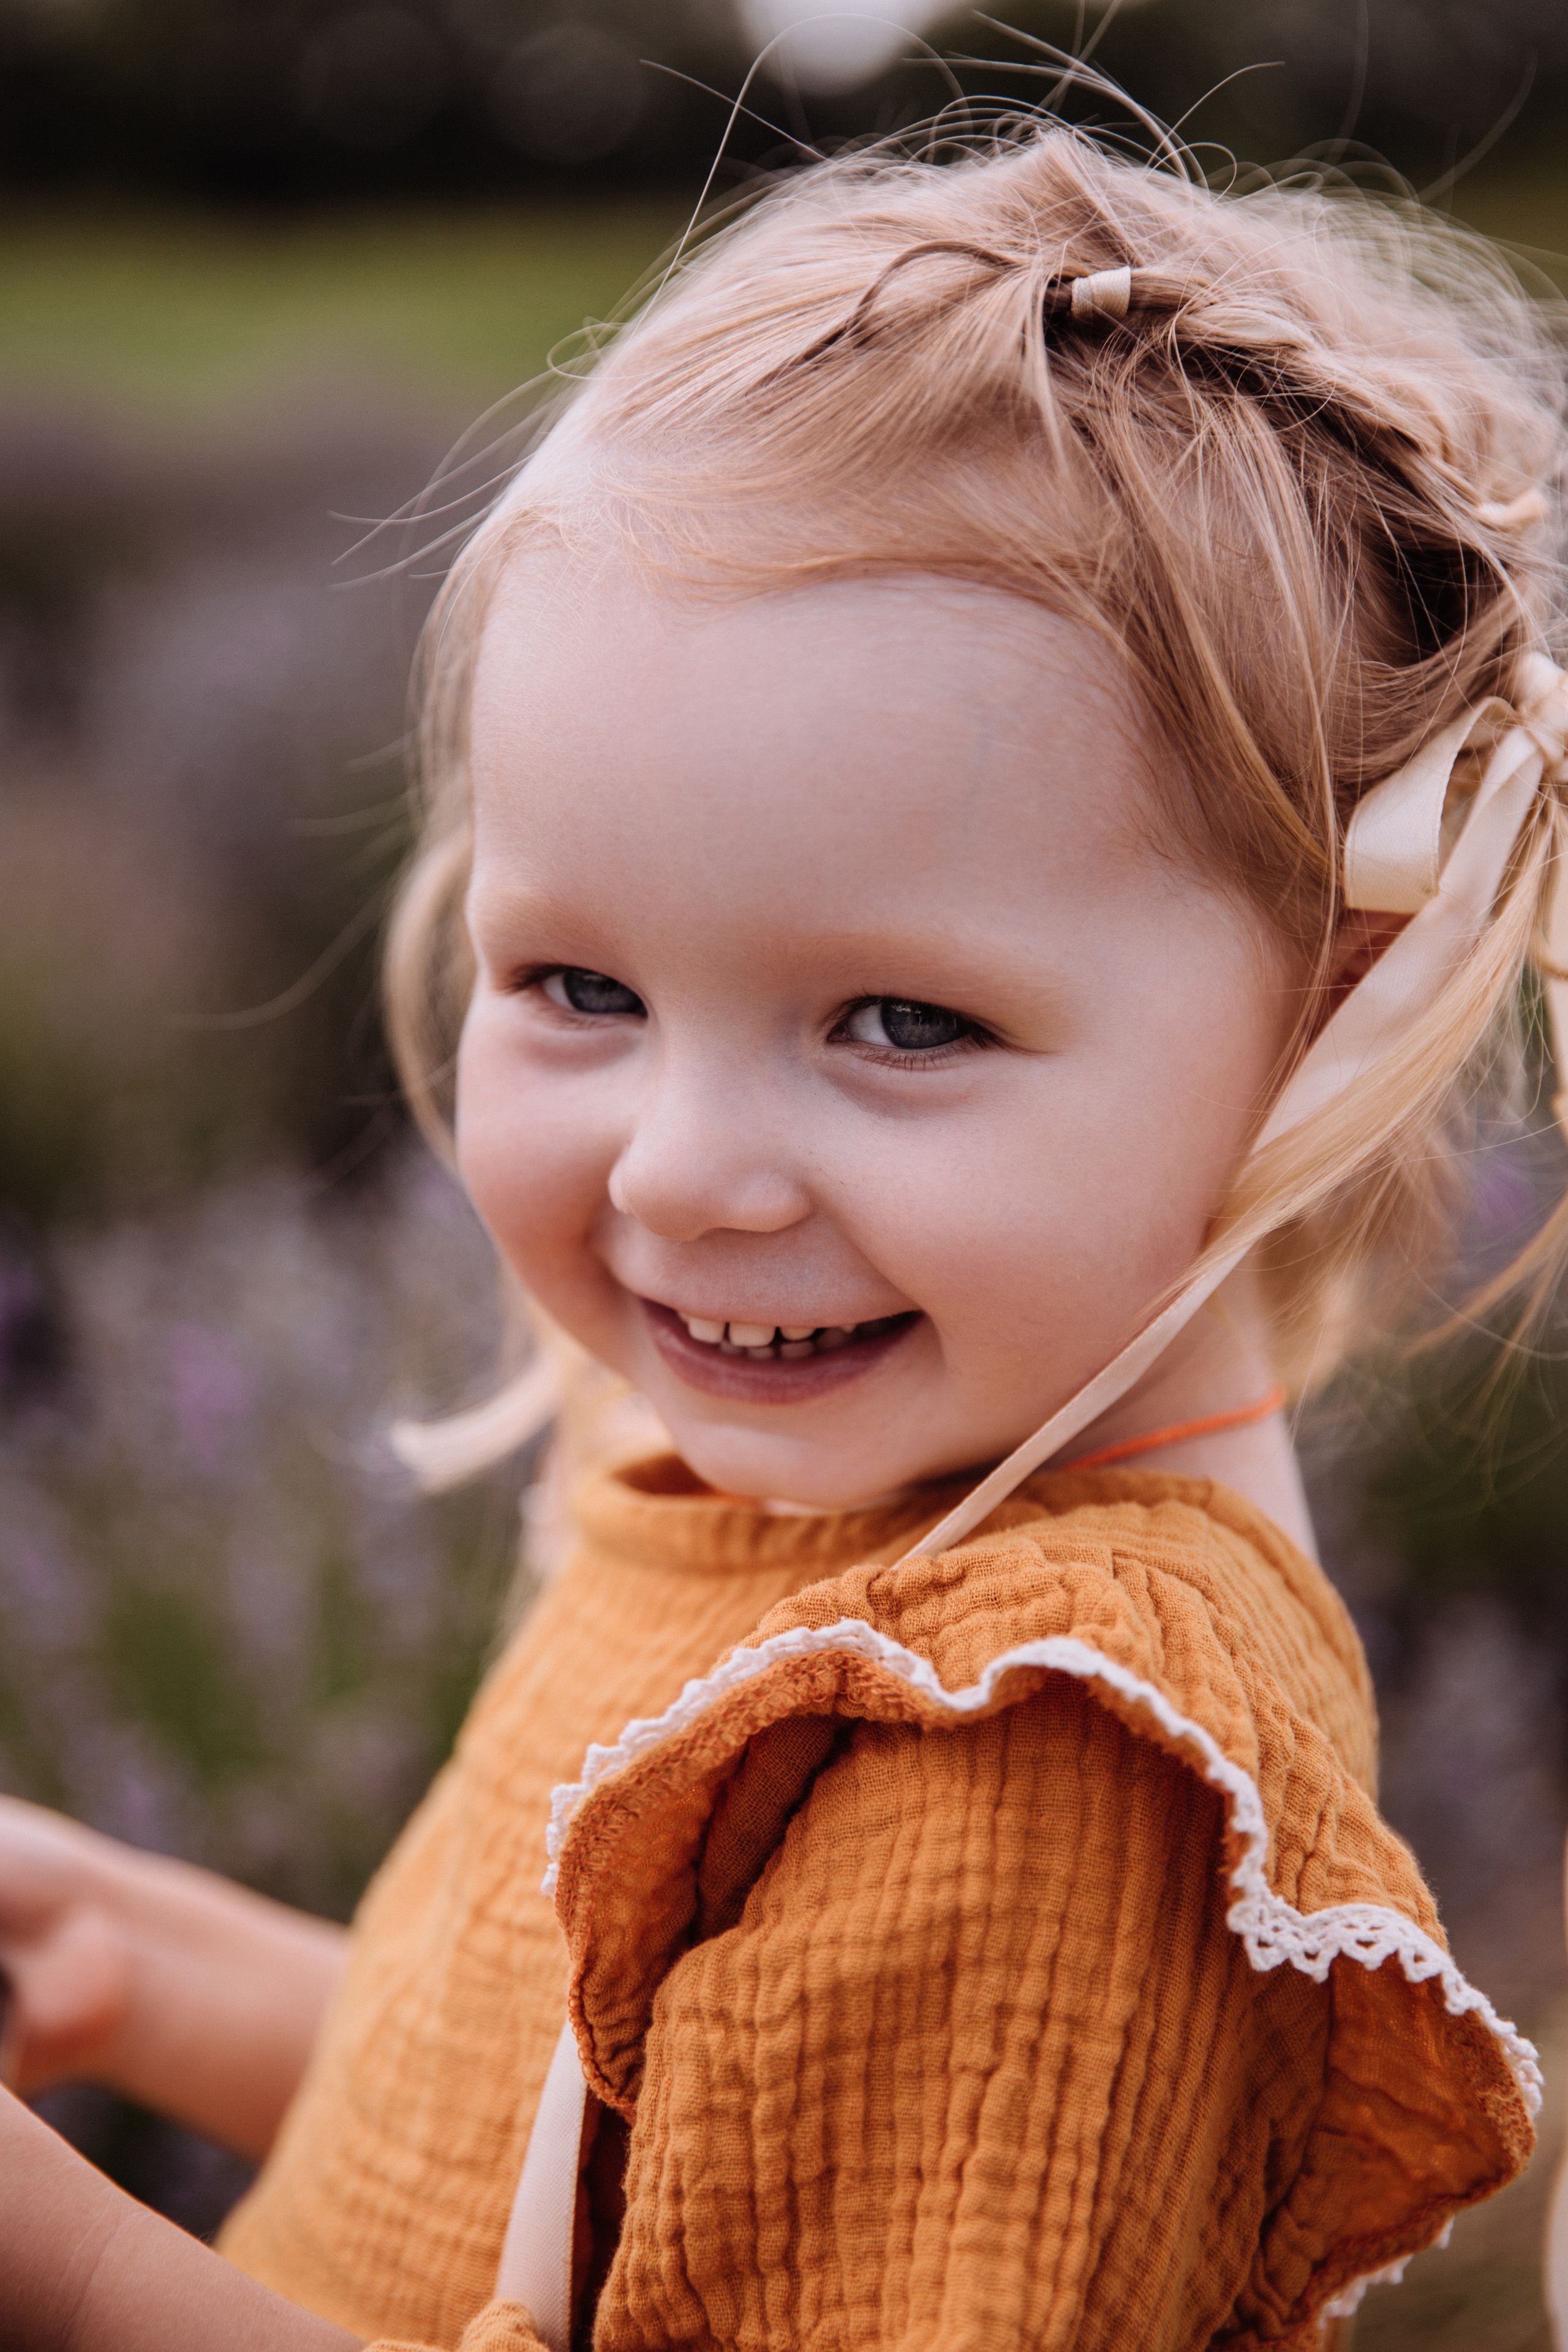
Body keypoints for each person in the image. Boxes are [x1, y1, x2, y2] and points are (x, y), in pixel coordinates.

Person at [2, 116, 1566, 2352]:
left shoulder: (1040, 1769)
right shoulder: (830, 1505)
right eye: (581, 990)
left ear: (1338, 1017)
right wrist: (143, 1969)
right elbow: (632, 2144)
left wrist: (63, 2268)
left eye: (902, 1021)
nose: (672, 1172)